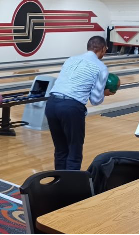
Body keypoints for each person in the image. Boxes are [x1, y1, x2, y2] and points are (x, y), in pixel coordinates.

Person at [46, 36, 116, 171]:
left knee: (60, 150)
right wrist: (104, 93)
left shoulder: (70, 60)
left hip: (51, 104)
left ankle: (58, 187)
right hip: (71, 108)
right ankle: (71, 189)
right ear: (103, 49)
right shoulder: (101, 67)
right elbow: (95, 100)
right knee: (74, 152)